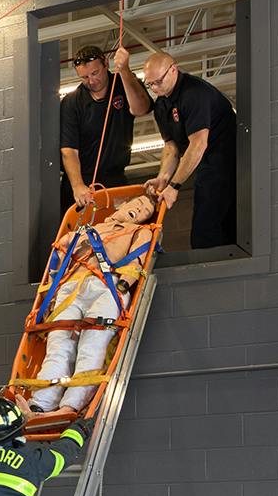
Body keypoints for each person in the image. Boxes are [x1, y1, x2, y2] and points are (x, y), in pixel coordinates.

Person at [26, 190, 165, 413]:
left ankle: (70, 406)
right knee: (59, 345)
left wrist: (123, 285)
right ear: (121, 205)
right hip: (71, 288)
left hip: (108, 287)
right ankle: (40, 404)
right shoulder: (85, 230)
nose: (140, 210)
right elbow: (59, 257)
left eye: (145, 211)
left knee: (92, 346)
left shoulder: (140, 231)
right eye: (138, 203)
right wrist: (50, 293)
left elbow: (138, 259)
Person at [112, 47, 237, 249]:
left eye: (158, 81)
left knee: (209, 225)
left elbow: (198, 143)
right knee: (204, 220)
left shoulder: (194, 94)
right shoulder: (162, 106)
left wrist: (175, 186)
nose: (154, 88)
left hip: (229, 159)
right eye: (150, 84)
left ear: (173, 70)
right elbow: (171, 148)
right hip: (206, 164)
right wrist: (163, 178)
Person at [57, 45, 133, 208]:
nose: (91, 81)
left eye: (95, 73)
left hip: (115, 178)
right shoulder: (72, 102)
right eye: (84, 77)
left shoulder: (123, 85)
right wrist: (77, 186)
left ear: (106, 64)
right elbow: (68, 150)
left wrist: (125, 70)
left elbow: (142, 108)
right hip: (81, 181)